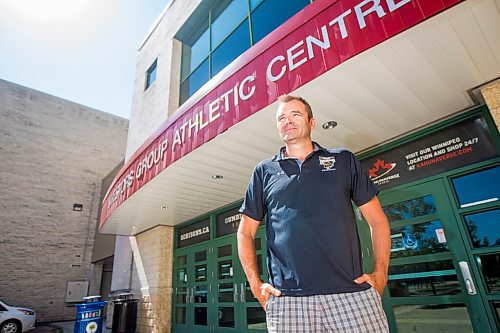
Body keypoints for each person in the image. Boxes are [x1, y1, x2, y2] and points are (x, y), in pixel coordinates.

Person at [237, 94, 391, 332]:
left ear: (312, 122)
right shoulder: (264, 171)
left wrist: (380, 274)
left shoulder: (343, 160)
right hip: (287, 301)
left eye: (295, 114)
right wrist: (256, 286)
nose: (287, 121)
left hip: (351, 295)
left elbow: (378, 221)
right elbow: (245, 232)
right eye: (281, 118)